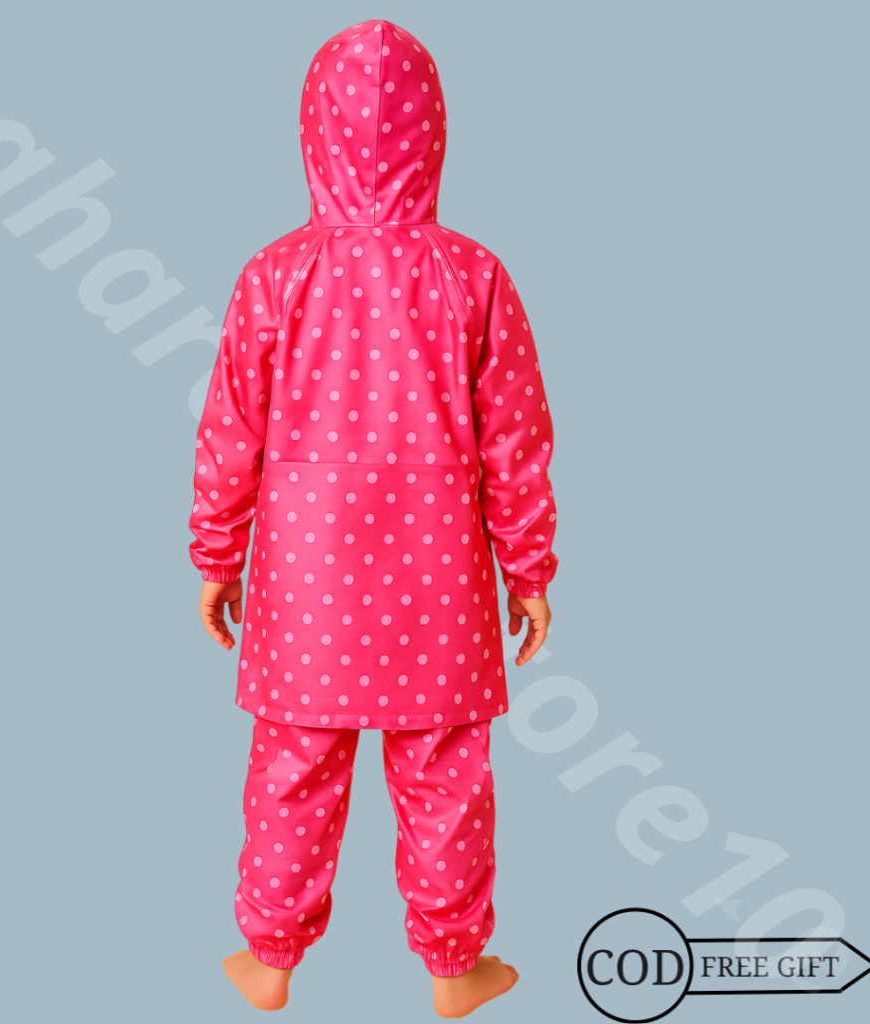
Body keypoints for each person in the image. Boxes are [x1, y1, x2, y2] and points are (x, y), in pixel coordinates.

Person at [189, 19, 557, 1018]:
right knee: (446, 777)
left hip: (305, 578)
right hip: (439, 576)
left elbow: (230, 431)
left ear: (311, 133)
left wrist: (217, 555)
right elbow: (515, 440)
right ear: (433, 135)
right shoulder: (475, 274)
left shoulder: (274, 273)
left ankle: (269, 959)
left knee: (292, 766)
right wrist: (528, 570)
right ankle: (454, 968)